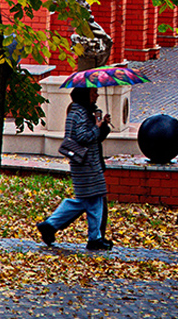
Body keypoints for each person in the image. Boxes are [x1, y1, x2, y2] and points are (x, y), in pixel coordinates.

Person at [37, 87, 113, 250]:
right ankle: (93, 238)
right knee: (90, 200)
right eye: (93, 92)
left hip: (91, 162)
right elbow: (82, 137)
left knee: (90, 199)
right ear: (85, 94)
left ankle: (53, 226)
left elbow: (98, 137)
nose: (97, 95)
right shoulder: (77, 113)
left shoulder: (90, 111)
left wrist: (103, 124)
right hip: (84, 163)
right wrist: (96, 127)